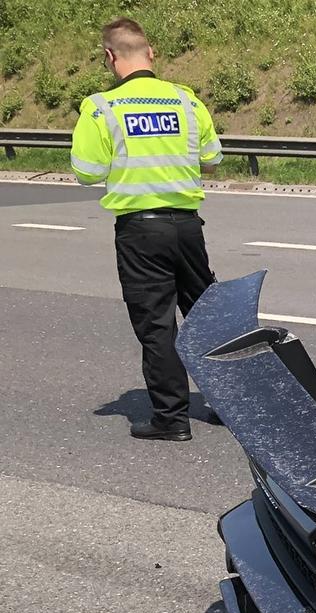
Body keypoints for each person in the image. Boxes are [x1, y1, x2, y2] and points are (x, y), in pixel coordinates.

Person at [71, 17, 223, 441]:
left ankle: (171, 420)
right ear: (151, 52)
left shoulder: (101, 107)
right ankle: (233, 406)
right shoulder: (186, 101)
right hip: (189, 228)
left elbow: (87, 172)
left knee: (157, 325)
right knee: (206, 319)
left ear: (109, 57)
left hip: (140, 231)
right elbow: (212, 156)